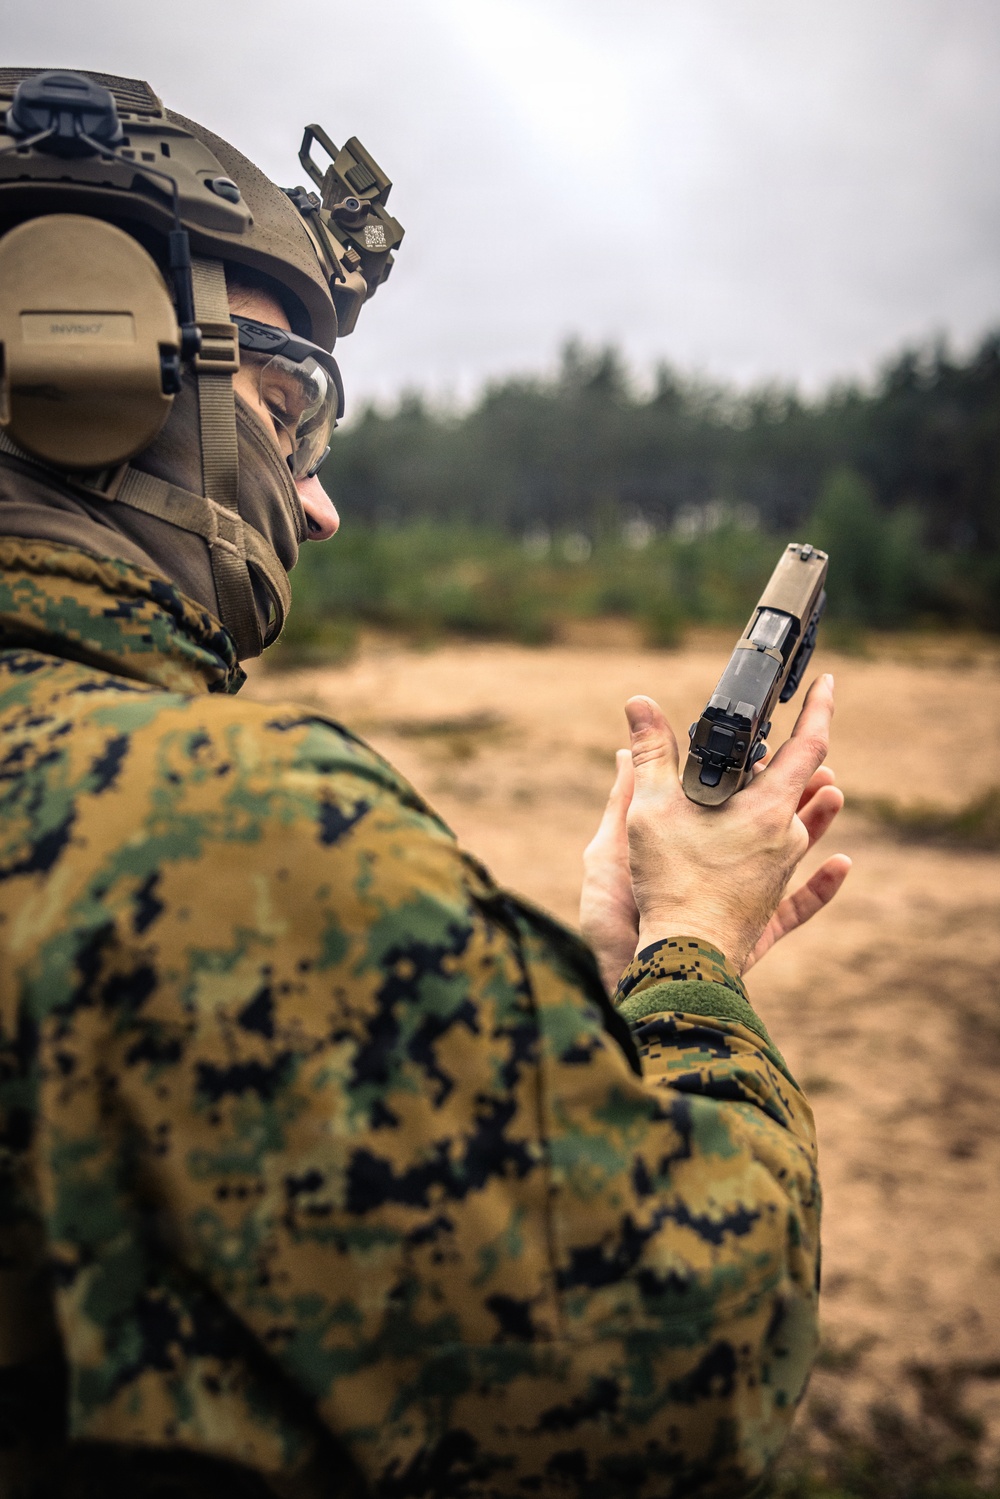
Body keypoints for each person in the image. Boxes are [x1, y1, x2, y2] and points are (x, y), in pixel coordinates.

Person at [0, 68, 849, 1499]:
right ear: (75, 350)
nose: (320, 503)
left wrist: (562, 1007)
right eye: (285, 408)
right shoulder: (237, 839)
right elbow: (682, 1374)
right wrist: (690, 953)